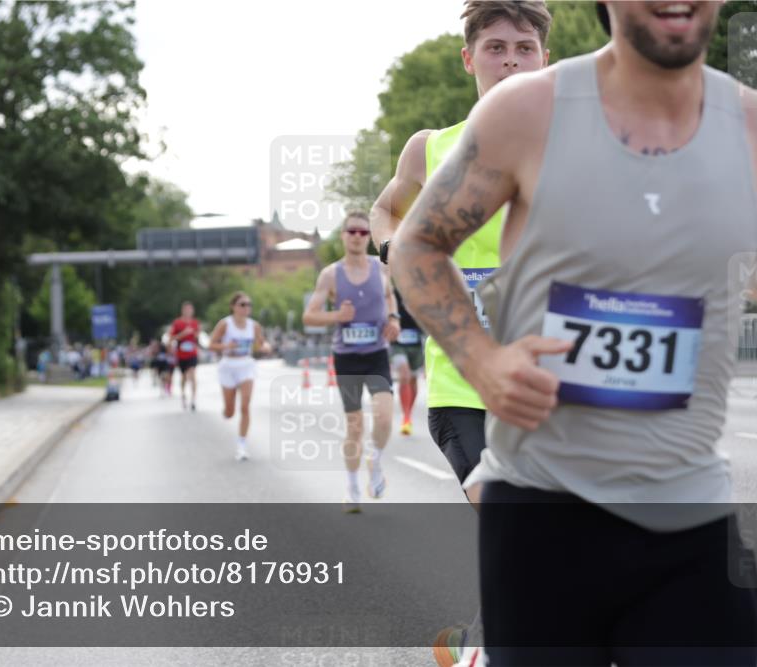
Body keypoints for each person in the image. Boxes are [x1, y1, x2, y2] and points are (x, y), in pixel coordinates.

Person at [392, 0, 757, 663]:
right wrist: (483, 362)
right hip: (544, 520)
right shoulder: (526, 113)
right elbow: (418, 245)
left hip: (690, 513)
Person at [371, 2, 552, 663]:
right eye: (497, 47)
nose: (511, 60)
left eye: (525, 48)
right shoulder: (432, 146)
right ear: (468, 58)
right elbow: (387, 208)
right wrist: (396, 250)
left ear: (544, 59)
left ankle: (477, 638)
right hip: (462, 386)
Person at [303, 211, 400, 513]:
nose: (357, 236)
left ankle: (375, 459)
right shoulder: (330, 275)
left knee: (384, 418)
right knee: (355, 426)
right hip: (346, 358)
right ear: (343, 236)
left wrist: (394, 319)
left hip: (376, 354)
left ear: (367, 236)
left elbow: (390, 297)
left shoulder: (380, 269)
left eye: (362, 231)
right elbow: (310, 316)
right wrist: (336, 316)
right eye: (351, 231)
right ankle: (352, 486)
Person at [208, 292, 272, 461]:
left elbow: (260, 343)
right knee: (230, 412)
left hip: (246, 365)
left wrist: (265, 346)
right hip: (228, 366)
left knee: (245, 406)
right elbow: (211, 344)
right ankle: (227, 410)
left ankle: (242, 445)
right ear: (233, 307)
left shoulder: (254, 325)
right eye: (242, 304)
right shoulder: (225, 324)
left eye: (249, 305)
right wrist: (226, 345)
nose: (246, 308)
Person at [388, 288, 425, 435]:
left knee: (413, 380)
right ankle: (406, 417)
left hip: (416, 344)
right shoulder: (393, 295)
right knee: (404, 376)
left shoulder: (420, 293)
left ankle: (408, 413)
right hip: (398, 345)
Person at [170, 301, 203, 411]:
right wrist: (183, 334)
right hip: (181, 354)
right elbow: (171, 338)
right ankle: (183, 394)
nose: (188, 311)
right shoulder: (177, 323)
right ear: (182, 310)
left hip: (192, 353)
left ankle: (193, 400)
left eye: (190, 309)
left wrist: (196, 336)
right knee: (184, 376)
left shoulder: (195, 323)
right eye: (186, 309)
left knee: (192, 374)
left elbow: (198, 337)